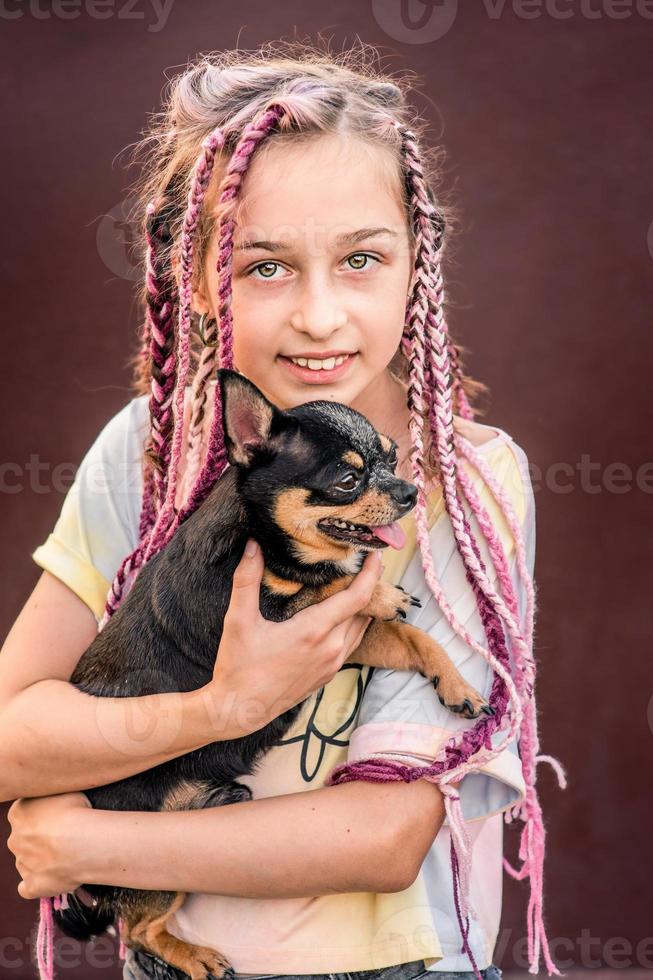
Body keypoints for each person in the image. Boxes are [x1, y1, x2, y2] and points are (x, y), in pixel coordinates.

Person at [2, 42, 562, 980]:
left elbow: (383, 839)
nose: (319, 315)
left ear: (417, 262)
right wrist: (228, 705)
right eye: (265, 267)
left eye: (362, 259)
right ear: (196, 272)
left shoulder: (464, 489)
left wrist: (94, 849)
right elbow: (11, 742)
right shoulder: (147, 452)